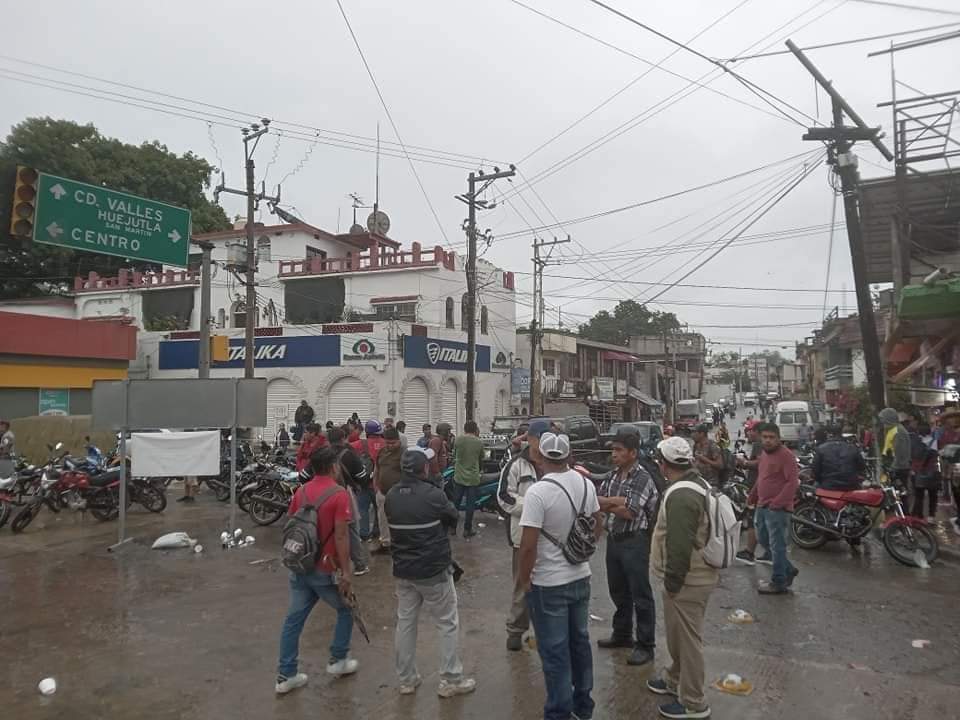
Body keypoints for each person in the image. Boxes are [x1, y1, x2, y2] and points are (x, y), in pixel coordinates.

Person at [515, 432, 602, 720]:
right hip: (580, 577)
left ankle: (559, 713)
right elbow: (597, 526)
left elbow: (528, 547)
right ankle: (583, 706)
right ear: (568, 456)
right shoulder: (586, 484)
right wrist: (582, 554)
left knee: (554, 653)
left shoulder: (538, 493)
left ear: (540, 457)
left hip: (548, 584)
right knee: (579, 642)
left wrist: (525, 580)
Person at [385, 446, 476, 698]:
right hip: (433, 570)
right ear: (423, 468)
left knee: (405, 622)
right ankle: (450, 679)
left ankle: (406, 679)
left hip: (403, 570)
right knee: (447, 622)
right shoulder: (433, 495)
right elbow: (452, 516)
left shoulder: (392, 495)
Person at [647, 436, 718, 720]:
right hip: (688, 578)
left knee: (689, 642)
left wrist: (672, 584)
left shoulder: (682, 495)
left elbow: (679, 546)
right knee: (677, 635)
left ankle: (694, 702)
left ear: (664, 464)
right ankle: (673, 679)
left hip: (688, 580)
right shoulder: (695, 484)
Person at [275, 447, 357, 694]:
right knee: (347, 609)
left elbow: (290, 524)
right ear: (334, 466)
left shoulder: (301, 491)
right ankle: (338, 659)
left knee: (293, 620)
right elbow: (342, 536)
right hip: (325, 568)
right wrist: (346, 571)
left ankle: (286, 674)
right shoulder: (339, 494)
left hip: (301, 566)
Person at [596, 431, 660, 667]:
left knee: (640, 594)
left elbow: (630, 511)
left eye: (619, 450)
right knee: (618, 591)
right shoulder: (613, 475)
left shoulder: (642, 477)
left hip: (635, 540)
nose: (614, 454)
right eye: (613, 449)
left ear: (633, 453)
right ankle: (622, 634)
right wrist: (617, 501)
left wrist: (610, 502)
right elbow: (598, 498)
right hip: (614, 539)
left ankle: (646, 645)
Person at [497, 418, 547, 651]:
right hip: (523, 537)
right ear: (531, 439)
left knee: (549, 586)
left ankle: (545, 633)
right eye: (541, 438)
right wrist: (534, 507)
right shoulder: (516, 465)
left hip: (551, 539)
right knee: (521, 585)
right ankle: (515, 631)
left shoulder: (555, 463)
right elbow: (504, 497)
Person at [747, 423, 799, 594]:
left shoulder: (786, 456)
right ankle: (788, 570)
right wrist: (753, 495)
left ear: (778, 439)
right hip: (762, 504)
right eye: (765, 437)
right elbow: (762, 477)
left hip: (777, 509)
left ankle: (778, 582)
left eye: (772, 438)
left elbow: (792, 482)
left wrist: (777, 503)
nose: (768, 441)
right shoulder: (764, 454)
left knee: (777, 546)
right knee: (763, 540)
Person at [328, 427, 371, 576]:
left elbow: (304, 475)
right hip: (343, 494)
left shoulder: (321, 454)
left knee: (326, 529)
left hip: (323, 495)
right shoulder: (350, 455)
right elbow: (362, 477)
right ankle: (359, 565)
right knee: (351, 530)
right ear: (343, 438)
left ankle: (328, 565)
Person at [735, 420, 764, 565]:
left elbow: (759, 463)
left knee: (753, 520)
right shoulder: (760, 444)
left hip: (756, 487)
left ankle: (749, 552)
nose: (748, 433)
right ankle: (768, 552)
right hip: (760, 487)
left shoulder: (759, 444)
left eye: (751, 430)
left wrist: (744, 463)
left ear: (758, 432)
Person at [450, 421, 485, 538]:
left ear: (464, 429)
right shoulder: (478, 442)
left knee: (456, 502)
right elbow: (481, 458)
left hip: (459, 476)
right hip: (472, 477)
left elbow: (454, 455)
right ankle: (467, 530)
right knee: (470, 505)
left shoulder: (458, 440)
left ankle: (452, 528)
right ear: (475, 429)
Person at [373, 427, 404, 552]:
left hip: (398, 495)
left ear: (399, 441)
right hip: (382, 493)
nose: (390, 445)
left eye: (393, 443)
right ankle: (385, 544)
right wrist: (376, 487)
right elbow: (377, 470)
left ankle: (400, 545)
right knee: (382, 520)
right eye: (388, 443)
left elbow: (408, 474)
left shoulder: (404, 453)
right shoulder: (382, 452)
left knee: (399, 521)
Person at [812, 425, 866, 491]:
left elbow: (815, 470)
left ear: (829, 434)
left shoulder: (821, 448)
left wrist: (821, 480)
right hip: (850, 486)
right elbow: (862, 467)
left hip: (828, 486)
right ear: (841, 434)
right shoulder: (852, 448)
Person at [910, 422, 939, 522]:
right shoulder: (933, 442)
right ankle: (931, 517)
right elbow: (936, 455)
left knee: (919, 496)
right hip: (932, 472)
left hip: (918, 472)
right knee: (932, 496)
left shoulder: (915, 442)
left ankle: (919, 516)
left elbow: (912, 457)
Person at [879, 407, 911, 490]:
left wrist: (893, 468)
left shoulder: (898, 431)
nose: (882, 422)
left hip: (899, 469)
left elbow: (900, 452)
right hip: (897, 467)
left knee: (900, 494)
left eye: (883, 419)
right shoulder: (893, 430)